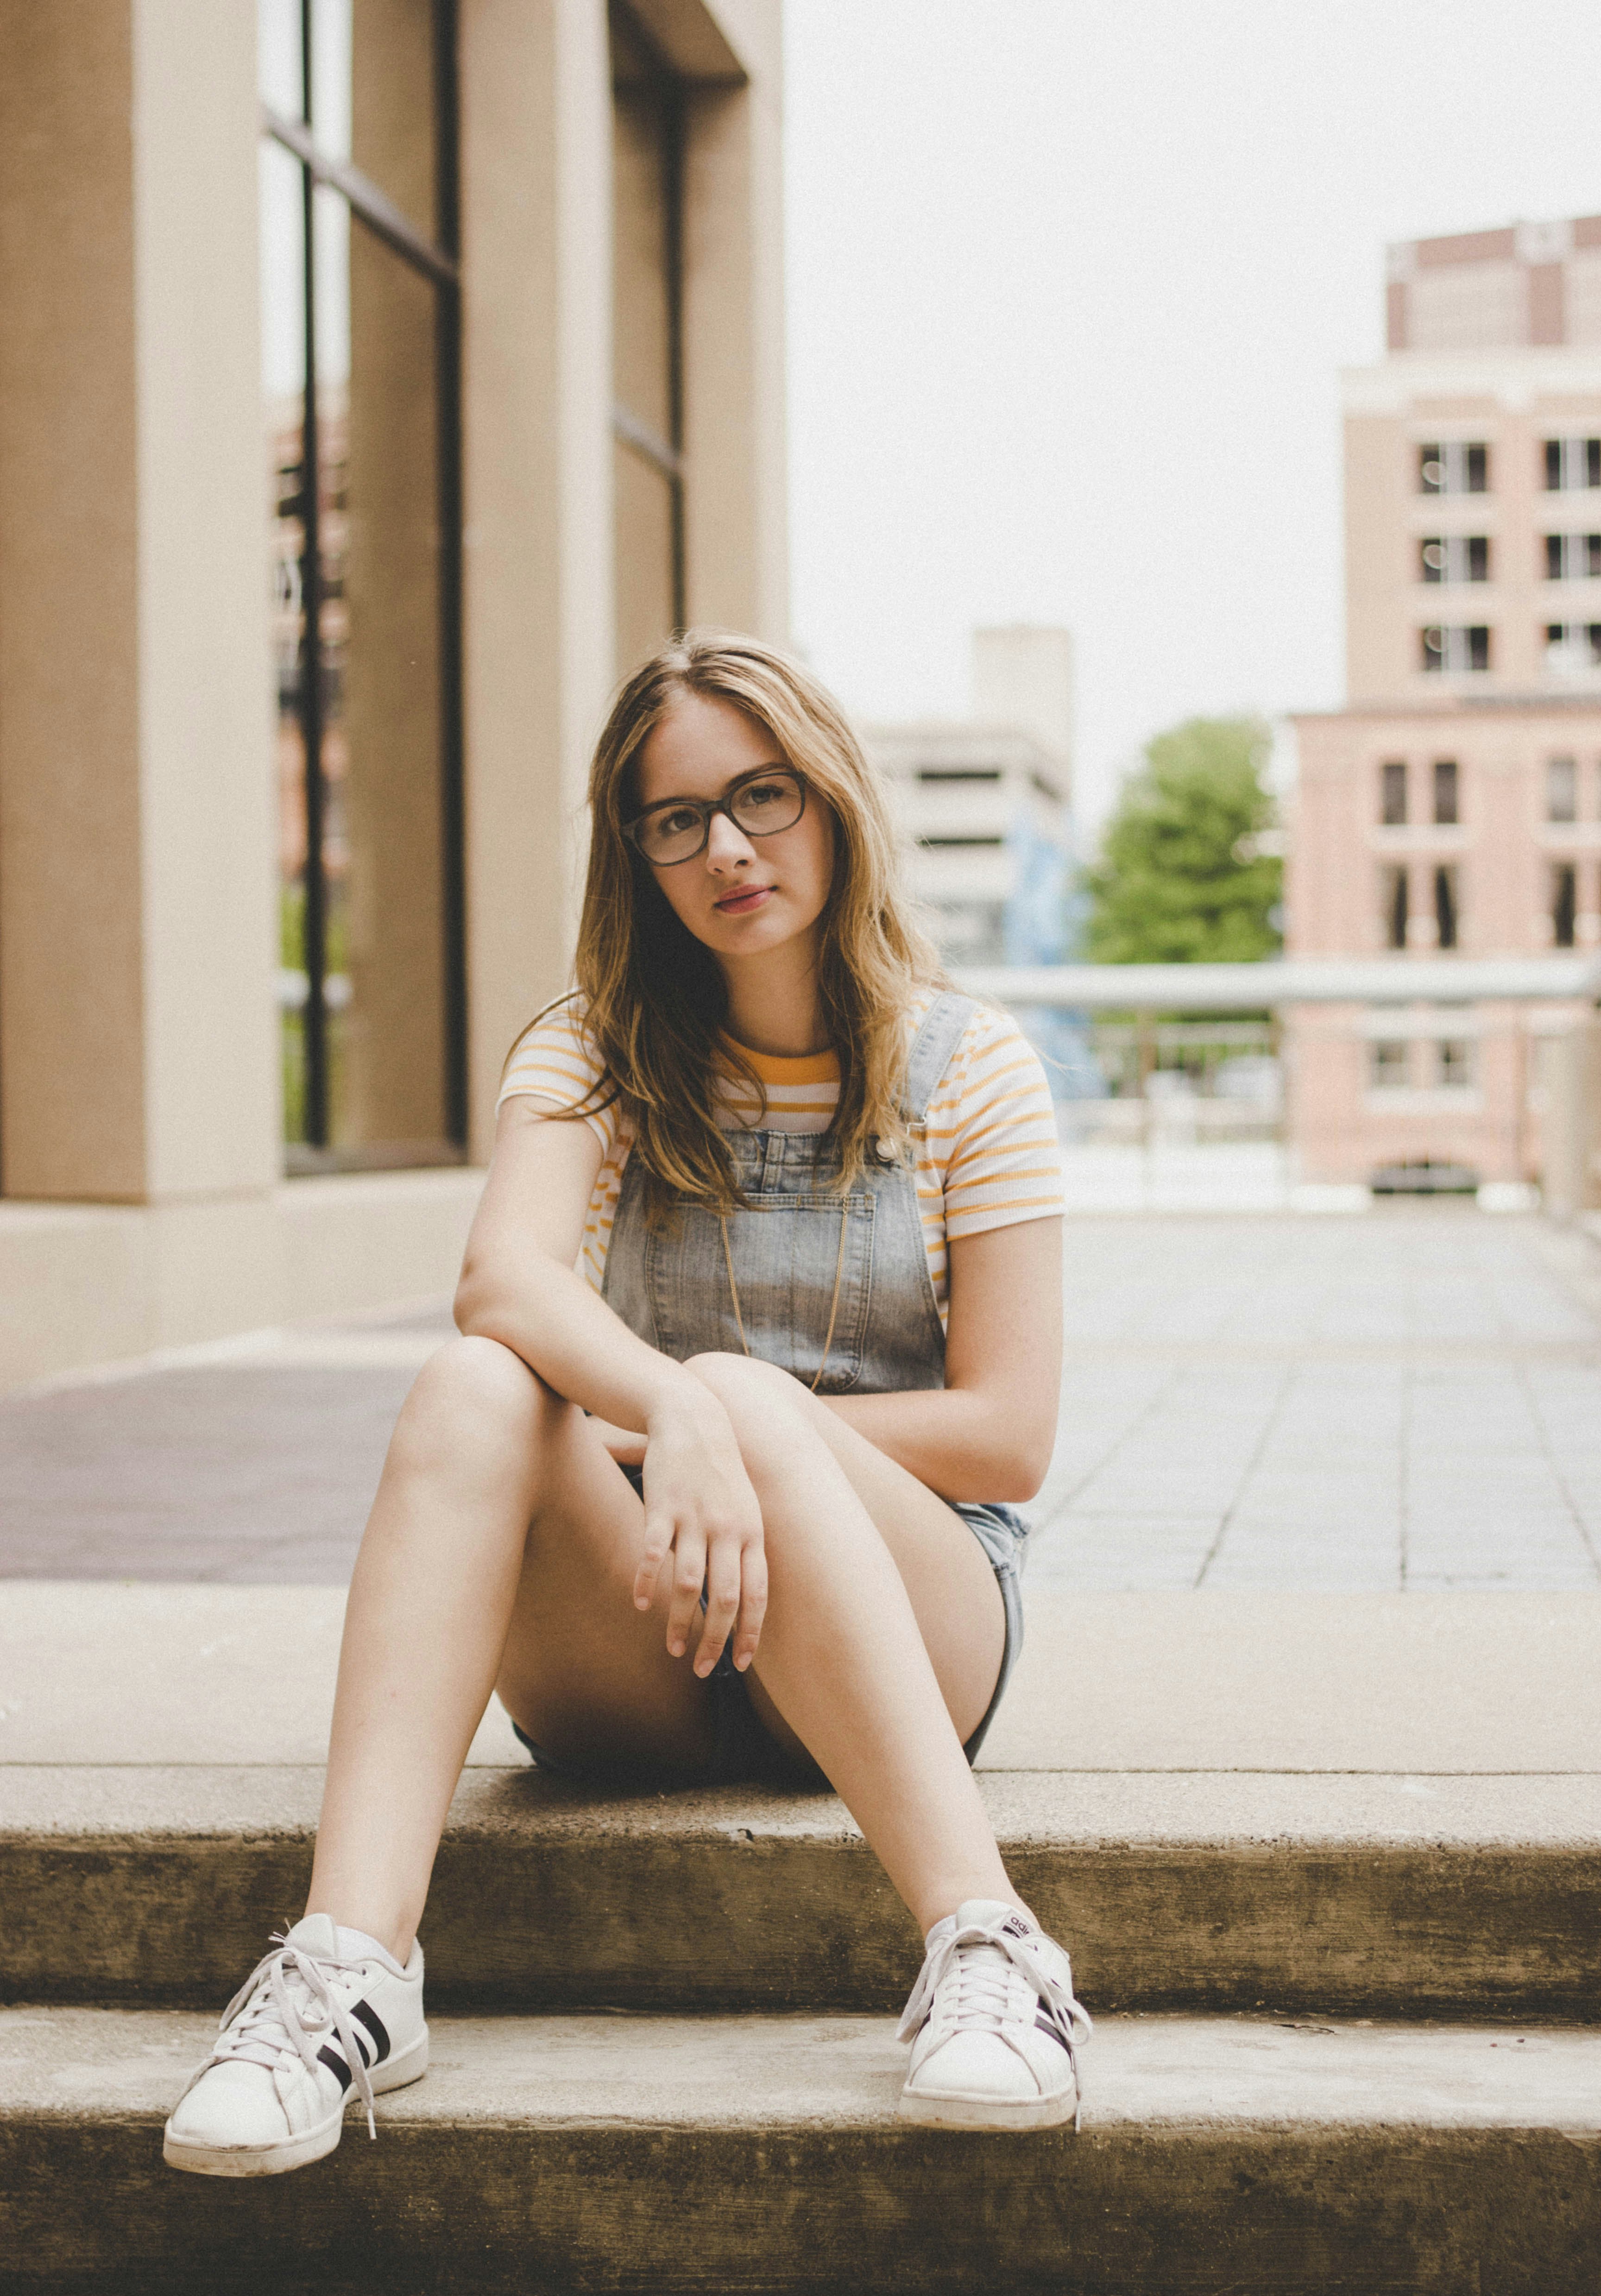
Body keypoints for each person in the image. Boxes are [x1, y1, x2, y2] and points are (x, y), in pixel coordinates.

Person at [162, 630, 1091, 2179]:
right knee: (475, 1390)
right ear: (638, 854)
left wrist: (739, 1425)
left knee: (734, 1392)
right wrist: (691, 1425)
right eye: (678, 819)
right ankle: (350, 1972)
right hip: (651, 1638)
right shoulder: (591, 1050)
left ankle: (994, 1954)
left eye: (762, 796)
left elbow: (1009, 1435)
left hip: (918, 1631)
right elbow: (503, 1287)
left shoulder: (971, 1068)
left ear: (833, 799)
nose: (728, 847)